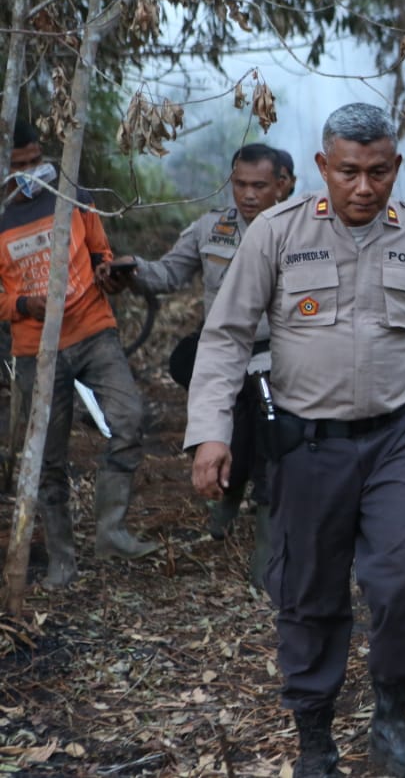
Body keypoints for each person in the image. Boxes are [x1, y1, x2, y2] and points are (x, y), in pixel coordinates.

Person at [184, 103, 405, 778]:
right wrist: (209, 432)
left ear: (396, 167)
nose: (364, 187)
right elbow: (226, 336)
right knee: (310, 592)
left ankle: (392, 715)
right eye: (349, 171)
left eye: (379, 172)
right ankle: (315, 738)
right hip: (309, 445)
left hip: (397, 439)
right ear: (323, 166)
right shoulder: (276, 233)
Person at [107, 143, 283, 585]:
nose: (248, 194)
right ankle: (225, 504)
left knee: (273, 445)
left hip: (278, 357)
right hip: (225, 354)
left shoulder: (299, 231)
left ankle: (268, 555)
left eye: (259, 185)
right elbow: (169, 272)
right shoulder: (211, 228)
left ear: (281, 185)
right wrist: (132, 270)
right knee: (228, 436)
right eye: (240, 184)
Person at [0, 118, 157, 587]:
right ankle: (62, 560)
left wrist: (110, 273)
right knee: (47, 458)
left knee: (128, 419)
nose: (32, 172)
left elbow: (99, 254)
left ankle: (111, 531)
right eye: (19, 165)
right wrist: (23, 305)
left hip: (93, 330)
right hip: (36, 349)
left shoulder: (74, 196)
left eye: (36, 160)